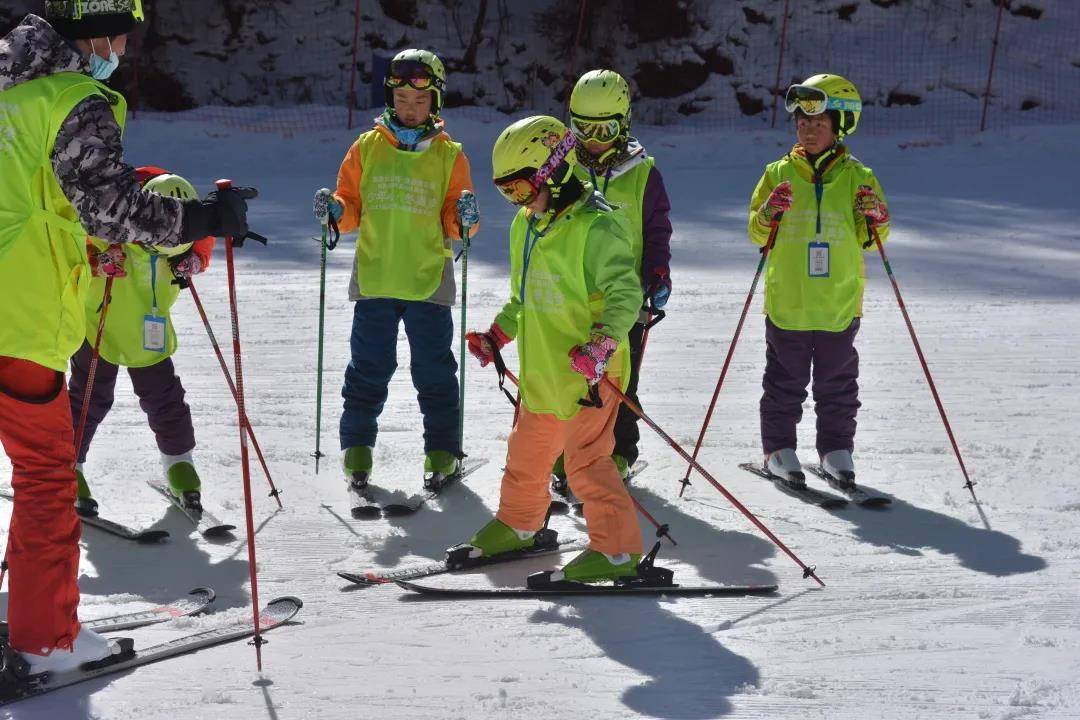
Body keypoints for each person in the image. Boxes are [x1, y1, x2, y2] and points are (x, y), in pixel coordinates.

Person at [0, 2, 257, 674]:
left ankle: (29, 614)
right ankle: (43, 638)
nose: (123, 49)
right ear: (96, 33)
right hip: (18, 324)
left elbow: (38, 197)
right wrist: (203, 216)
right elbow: (111, 206)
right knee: (46, 483)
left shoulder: (7, 89)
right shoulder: (77, 100)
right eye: (121, 36)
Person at [456, 116, 644, 583]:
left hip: (589, 374)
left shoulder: (596, 228)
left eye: (521, 189)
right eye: (506, 193)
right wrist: (498, 336)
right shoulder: (528, 226)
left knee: (587, 463)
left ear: (556, 172)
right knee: (526, 456)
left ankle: (617, 550)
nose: (518, 202)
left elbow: (625, 295)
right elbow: (523, 298)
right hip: (542, 371)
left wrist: (601, 344)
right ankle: (520, 524)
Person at [312, 48, 477, 494]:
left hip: (428, 281)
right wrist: (335, 210)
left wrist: (465, 216)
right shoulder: (367, 147)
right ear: (390, 97)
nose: (410, 108)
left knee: (435, 371)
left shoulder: (449, 155)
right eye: (403, 99)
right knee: (369, 367)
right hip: (377, 280)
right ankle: (357, 446)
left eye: (420, 101)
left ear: (435, 103)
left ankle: (442, 449)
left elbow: (456, 216)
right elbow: (350, 207)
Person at [747, 73, 890, 487]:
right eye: (803, 124)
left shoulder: (857, 176)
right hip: (789, 302)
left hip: (838, 303)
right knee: (783, 382)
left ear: (840, 126)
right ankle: (778, 448)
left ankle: (835, 448)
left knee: (838, 383)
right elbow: (757, 233)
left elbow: (873, 237)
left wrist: (875, 216)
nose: (808, 131)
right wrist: (768, 214)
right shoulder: (777, 173)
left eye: (819, 124)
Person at [69, 169, 215, 517]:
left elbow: (204, 236)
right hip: (98, 328)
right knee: (88, 399)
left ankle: (180, 464)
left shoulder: (180, 231)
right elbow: (74, 250)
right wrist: (98, 261)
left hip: (148, 333)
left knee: (166, 401)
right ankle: (66, 467)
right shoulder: (113, 217)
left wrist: (195, 259)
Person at [564, 68, 672, 480]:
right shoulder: (566, 168)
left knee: (620, 381)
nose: (592, 140)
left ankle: (620, 451)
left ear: (623, 124)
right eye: (582, 128)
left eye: (604, 129)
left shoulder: (643, 174)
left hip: (624, 301)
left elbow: (657, 229)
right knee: (567, 376)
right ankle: (563, 451)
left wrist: (658, 272)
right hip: (572, 294)